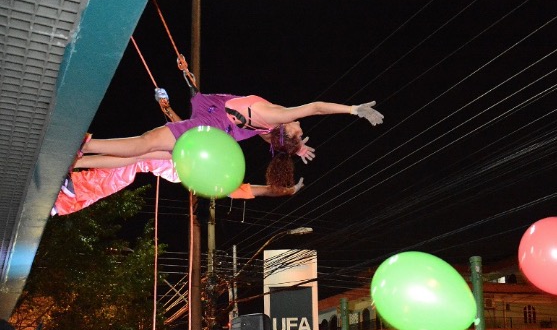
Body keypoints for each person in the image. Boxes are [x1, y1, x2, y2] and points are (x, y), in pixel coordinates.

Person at [77, 93, 383, 189]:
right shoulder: (268, 130)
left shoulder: (279, 116)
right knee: (138, 157)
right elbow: (272, 141)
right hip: (213, 138)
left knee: (142, 144)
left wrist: (354, 110)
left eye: (299, 133)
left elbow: (315, 107)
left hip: (209, 127)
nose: (301, 128)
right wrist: (297, 147)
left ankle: (85, 146)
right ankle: (80, 161)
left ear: (288, 129)